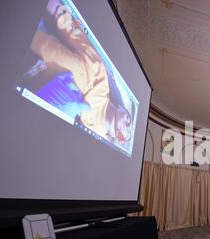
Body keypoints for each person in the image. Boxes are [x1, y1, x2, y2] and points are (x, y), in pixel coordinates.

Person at [27, 1, 134, 145]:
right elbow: (70, 29)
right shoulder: (100, 73)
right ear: (121, 108)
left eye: (128, 132)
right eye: (129, 120)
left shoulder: (93, 137)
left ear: (118, 139)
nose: (128, 125)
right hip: (28, 33)